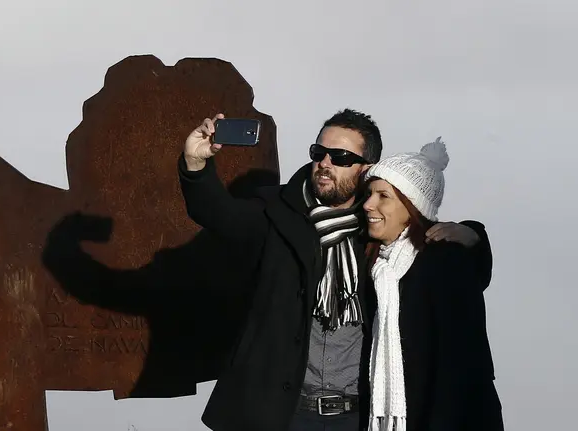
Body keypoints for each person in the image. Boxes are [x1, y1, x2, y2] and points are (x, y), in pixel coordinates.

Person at [178, 110, 493, 431]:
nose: (325, 163)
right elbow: (220, 214)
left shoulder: (382, 226)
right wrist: (195, 164)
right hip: (281, 412)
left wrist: (473, 235)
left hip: (360, 413)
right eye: (319, 153)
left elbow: (437, 254)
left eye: (341, 157)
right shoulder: (276, 212)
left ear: (367, 168)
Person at [361, 139, 503, 431]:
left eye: (383, 196)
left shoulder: (446, 262)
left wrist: (475, 235)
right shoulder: (377, 265)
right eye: (369, 193)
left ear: (412, 206)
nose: (368, 204)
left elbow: (462, 367)